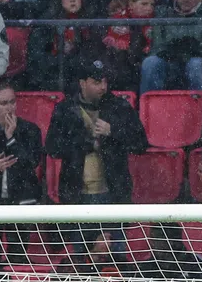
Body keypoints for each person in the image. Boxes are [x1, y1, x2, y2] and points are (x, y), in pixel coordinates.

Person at [45, 57, 149, 203]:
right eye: (97, 82)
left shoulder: (119, 107)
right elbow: (52, 148)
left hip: (114, 193)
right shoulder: (65, 109)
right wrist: (87, 143)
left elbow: (141, 144)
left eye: (105, 81)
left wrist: (112, 131)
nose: (103, 87)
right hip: (75, 193)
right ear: (82, 83)